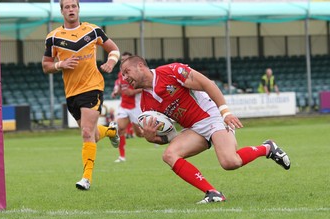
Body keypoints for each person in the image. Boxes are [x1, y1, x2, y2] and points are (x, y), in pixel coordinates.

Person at [120, 56, 291, 204]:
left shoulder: (171, 71)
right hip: (193, 129)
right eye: (123, 75)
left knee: (230, 162)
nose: (125, 77)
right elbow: (169, 137)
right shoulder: (146, 105)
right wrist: (151, 138)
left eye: (127, 72)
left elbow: (208, 84)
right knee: (169, 154)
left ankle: (267, 148)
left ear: (140, 66)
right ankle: (213, 193)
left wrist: (225, 112)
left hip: (213, 116)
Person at [42, 0, 121, 191]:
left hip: (92, 86)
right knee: (92, 133)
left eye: (73, 6)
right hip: (71, 92)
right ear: (61, 11)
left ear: (78, 9)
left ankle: (86, 178)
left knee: (85, 133)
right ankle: (111, 131)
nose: (71, 9)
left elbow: (114, 49)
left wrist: (111, 63)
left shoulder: (93, 31)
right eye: (67, 7)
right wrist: (61, 64)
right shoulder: (53, 38)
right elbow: (46, 66)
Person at [111, 52, 143, 163]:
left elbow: (145, 88)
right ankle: (122, 156)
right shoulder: (121, 74)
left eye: (126, 59)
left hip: (136, 107)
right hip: (124, 106)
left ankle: (160, 135)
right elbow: (118, 84)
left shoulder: (137, 74)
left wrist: (132, 92)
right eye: (122, 60)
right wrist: (116, 91)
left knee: (139, 134)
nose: (123, 61)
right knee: (119, 129)